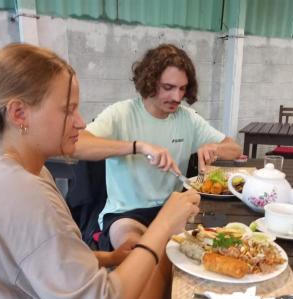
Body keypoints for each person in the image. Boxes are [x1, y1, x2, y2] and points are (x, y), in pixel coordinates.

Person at [0, 43, 200, 299]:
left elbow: (35, 264)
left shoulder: (13, 172)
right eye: (68, 110)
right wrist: (163, 226)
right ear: (19, 113)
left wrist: (110, 258)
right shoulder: (23, 196)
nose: (81, 122)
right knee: (165, 258)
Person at [74, 43, 241, 250]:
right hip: (126, 214)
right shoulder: (121, 114)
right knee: (135, 252)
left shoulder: (188, 119)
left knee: (201, 251)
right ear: (150, 82)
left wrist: (215, 148)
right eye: (168, 88)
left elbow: (235, 148)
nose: (177, 97)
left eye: (182, 89)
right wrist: (138, 147)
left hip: (172, 208)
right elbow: (76, 145)